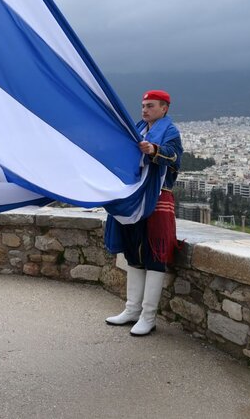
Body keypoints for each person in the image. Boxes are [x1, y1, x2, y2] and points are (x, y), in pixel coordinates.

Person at [104, 90, 182, 336]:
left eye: (150, 106)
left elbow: (174, 156)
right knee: (134, 253)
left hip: (158, 197)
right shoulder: (137, 129)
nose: (144, 110)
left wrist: (153, 150)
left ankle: (148, 316)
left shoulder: (170, 131)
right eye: (143, 106)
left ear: (164, 108)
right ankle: (131, 310)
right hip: (135, 197)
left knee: (154, 254)